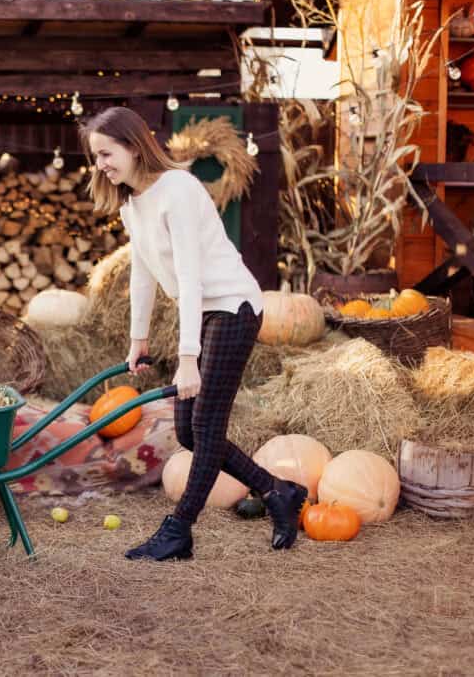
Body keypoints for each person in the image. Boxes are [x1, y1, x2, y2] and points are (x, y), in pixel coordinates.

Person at [80, 106, 307, 561]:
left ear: (132, 143)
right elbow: (142, 272)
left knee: (205, 426)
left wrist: (188, 358)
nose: (101, 164)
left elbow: (189, 277)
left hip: (233, 306)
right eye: (96, 157)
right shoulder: (132, 203)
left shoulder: (178, 189)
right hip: (205, 313)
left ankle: (178, 529)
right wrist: (137, 339)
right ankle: (277, 490)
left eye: (106, 153)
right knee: (188, 432)